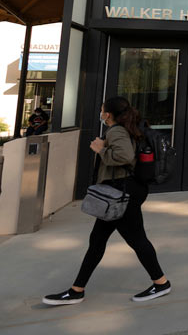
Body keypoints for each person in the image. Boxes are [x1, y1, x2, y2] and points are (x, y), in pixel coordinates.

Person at [43, 97, 170, 305]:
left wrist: (100, 149)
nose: (100, 113)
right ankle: (77, 289)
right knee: (99, 240)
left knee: (136, 240)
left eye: (102, 110)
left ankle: (161, 283)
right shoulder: (126, 128)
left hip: (122, 192)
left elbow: (125, 156)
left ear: (108, 114)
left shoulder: (117, 131)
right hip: (121, 191)